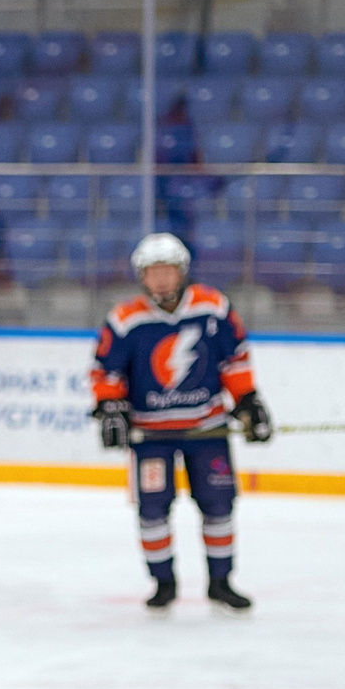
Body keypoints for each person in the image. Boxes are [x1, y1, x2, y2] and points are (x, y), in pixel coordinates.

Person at [89, 232, 272, 613]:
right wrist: (110, 407)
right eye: (152, 272)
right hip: (151, 434)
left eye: (167, 271)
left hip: (207, 429)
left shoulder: (213, 307)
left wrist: (247, 401)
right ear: (141, 277)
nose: (160, 280)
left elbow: (234, 358)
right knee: (152, 509)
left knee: (219, 505)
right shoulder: (126, 319)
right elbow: (106, 371)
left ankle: (221, 581)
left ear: (182, 271)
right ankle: (163, 582)